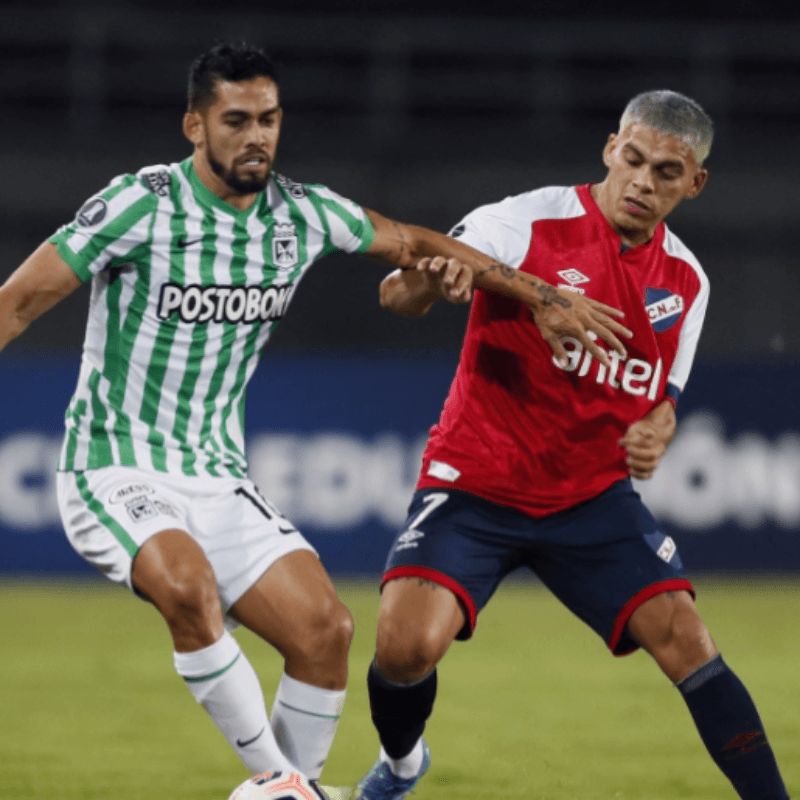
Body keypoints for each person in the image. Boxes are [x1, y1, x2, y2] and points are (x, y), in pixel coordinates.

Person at [0, 42, 630, 788]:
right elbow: (17, 301)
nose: (257, 135)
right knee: (187, 587)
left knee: (326, 633)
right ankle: (280, 784)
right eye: (236, 120)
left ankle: (287, 789)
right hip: (114, 466)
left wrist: (541, 297)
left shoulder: (304, 213)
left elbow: (415, 243)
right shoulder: (141, 204)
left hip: (218, 477)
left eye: (268, 118)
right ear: (194, 128)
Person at [356, 90, 790, 800]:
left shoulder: (688, 281)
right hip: (476, 483)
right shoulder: (526, 219)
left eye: (668, 173)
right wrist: (446, 288)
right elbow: (397, 294)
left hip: (591, 500)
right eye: (634, 159)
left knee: (689, 641)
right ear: (610, 147)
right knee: (406, 648)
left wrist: (659, 428)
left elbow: (665, 396)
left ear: (695, 183)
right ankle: (403, 766)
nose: (644, 183)